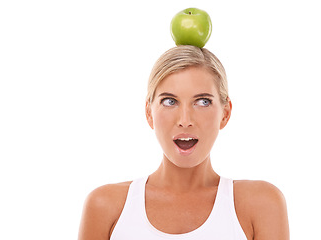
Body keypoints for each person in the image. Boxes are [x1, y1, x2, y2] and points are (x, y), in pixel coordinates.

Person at [78, 45, 289, 240]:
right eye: (170, 101)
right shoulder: (105, 206)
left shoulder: (261, 205)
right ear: (149, 113)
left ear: (225, 114)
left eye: (203, 102)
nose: (185, 121)